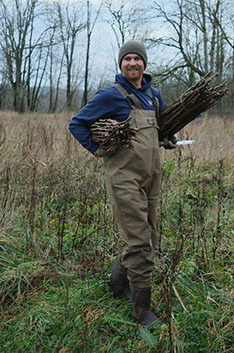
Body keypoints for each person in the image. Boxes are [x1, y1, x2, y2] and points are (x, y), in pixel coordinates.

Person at [69, 40, 177, 325]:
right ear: (121, 64)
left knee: (148, 236)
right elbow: (76, 124)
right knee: (141, 241)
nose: (132, 63)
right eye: (127, 59)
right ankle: (141, 310)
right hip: (124, 178)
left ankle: (118, 284)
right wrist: (100, 149)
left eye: (137, 59)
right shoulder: (111, 96)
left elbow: (160, 130)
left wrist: (168, 139)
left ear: (144, 63)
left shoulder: (153, 96)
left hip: (151, 178)